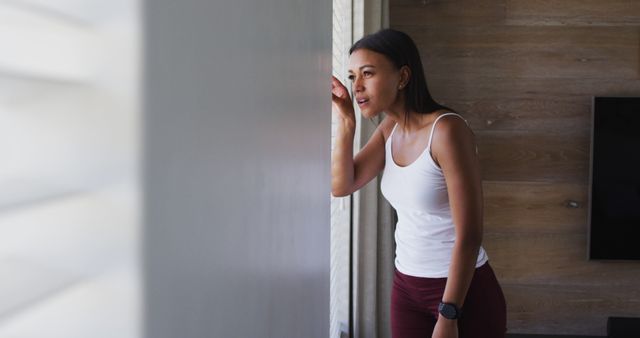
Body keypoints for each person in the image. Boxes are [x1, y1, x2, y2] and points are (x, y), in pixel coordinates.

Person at [331, 28, 507, 338]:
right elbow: (342, 184)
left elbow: (470, 233)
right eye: (351, 77)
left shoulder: (447, 131)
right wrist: (347, 123)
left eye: (367, 73)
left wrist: (449, 312)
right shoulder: (390, 129)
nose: (357, 86)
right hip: (407, 287)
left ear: (402, 77)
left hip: (461, 291)